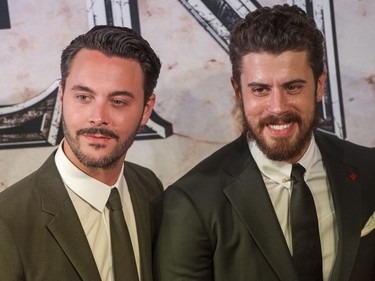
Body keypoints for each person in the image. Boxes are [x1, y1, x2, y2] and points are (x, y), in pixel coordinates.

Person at [154, 4, 375, 281]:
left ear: (319, 85)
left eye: (293, 87)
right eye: (260, 90)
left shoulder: (368, 170)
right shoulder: (193, 202)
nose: (277, 107)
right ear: (238, 91)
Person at [0, 25, 163, 281]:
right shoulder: (8, 220)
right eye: (84, 97)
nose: (98, 117)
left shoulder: (149, 188)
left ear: (146, 109)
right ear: (62, 95)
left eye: (118, 101)